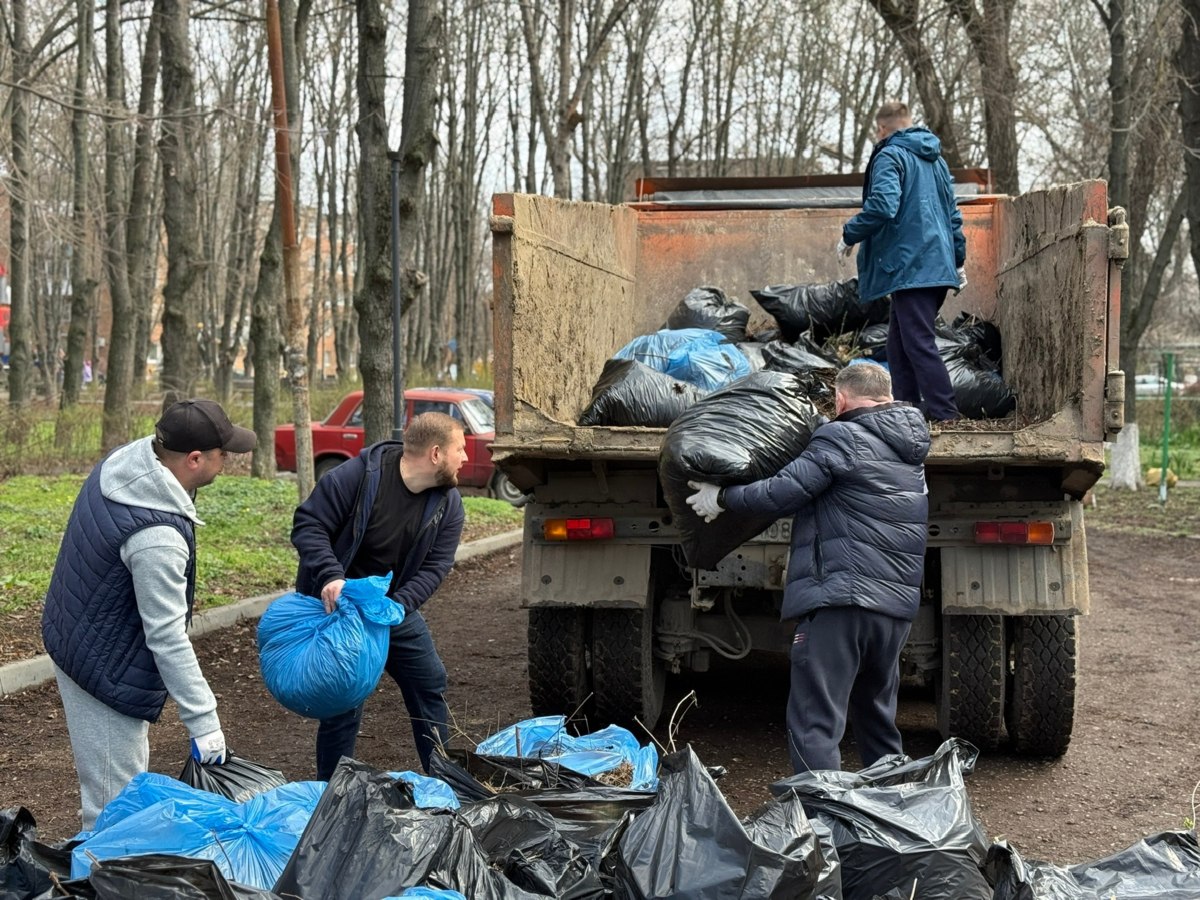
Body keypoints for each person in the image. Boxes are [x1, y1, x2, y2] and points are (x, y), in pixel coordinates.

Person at [686, 364, 929, 773]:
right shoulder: (912, 450)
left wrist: (723, 497)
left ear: (841, 399)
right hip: (894, 610)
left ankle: (819, 810)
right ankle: (892, 804)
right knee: (877, 719)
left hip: (840, 600)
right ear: (887, 396)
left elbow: (782, 491)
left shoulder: (841, 436)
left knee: (815, 720)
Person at [41, 399, 256, 830]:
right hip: (102, 666)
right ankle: (101, 866)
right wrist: (205, 724)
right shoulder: (156, 538)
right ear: (193, 459)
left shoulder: (128, 464)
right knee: (114, 807)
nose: (228, 461)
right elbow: (167, 637)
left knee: (123, 791)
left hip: (80, 629)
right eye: (223, 454)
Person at [291, 411, 467, 779]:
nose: (465, 458)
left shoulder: (448, 503)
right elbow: (309, 525)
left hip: (391, 606)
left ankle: (446, 781)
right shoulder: (357, 476)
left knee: (429, 681)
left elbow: (435, 567)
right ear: (436, 454)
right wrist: (330, 576)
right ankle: (333, 791)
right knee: (345, 700)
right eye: (460, 449)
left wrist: (398, 606)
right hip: (339, 606)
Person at [836, 100, 966, 424]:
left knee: (917, 342)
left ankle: (945, 413)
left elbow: (883, 204)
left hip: (912, 267)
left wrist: (851, 233)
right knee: (899, 345)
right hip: (934, 265)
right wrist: (958, 259)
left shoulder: (890, 155)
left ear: (881, 129)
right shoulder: (936, 161)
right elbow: (952, 214)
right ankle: (906, 411)